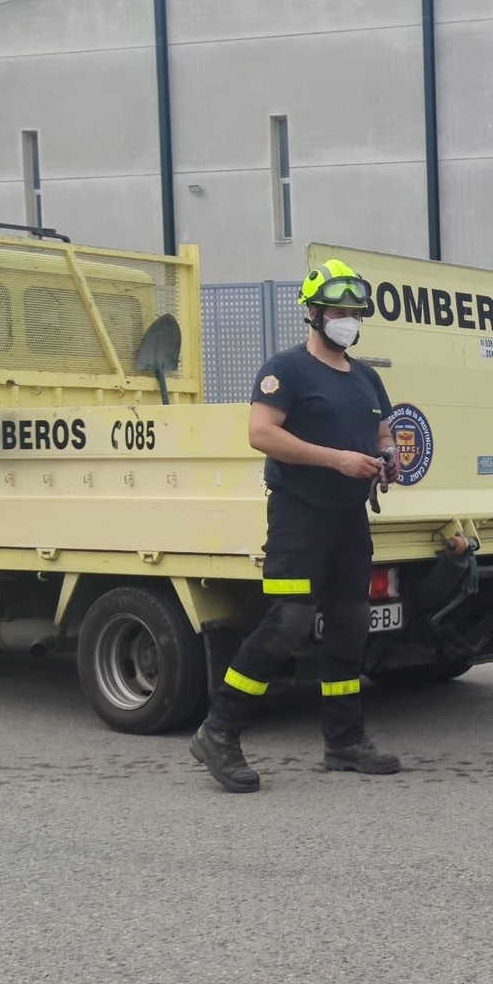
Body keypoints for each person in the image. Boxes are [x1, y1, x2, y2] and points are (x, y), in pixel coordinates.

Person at [190, 258, 402, 792]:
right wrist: (337, 460)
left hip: (349, 520)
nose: (346, 319)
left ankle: (344, 741)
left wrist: (386, 456)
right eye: (337, 309)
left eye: (354, 311)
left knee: (350, 627)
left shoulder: (367, 377)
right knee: (288, 622)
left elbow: (381, 432)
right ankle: (219, 730)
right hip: (298, 517)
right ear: (313, 312)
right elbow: (261, 434)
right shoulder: (285, 369)